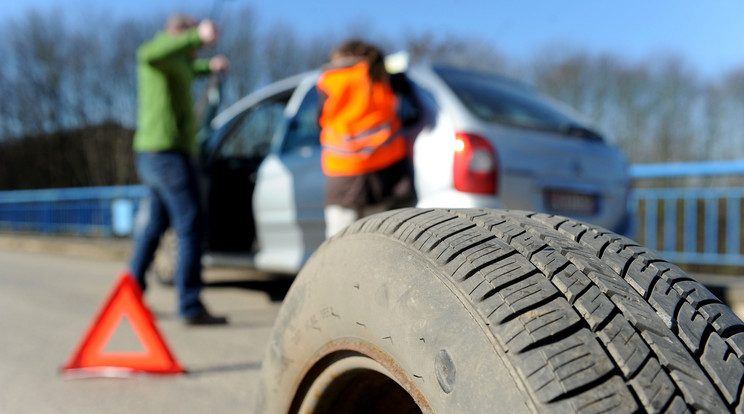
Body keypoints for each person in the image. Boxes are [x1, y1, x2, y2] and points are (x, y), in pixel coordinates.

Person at [129, 14, 229, 325]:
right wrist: (197, 35)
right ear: (177, 34)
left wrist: (210, 67)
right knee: (190, 224)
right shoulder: (158, 54)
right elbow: (149, 52)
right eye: (188, 39)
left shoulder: (181, 65)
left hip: (162, 154)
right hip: (166, 154)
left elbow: (191, 68)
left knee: (154, 227)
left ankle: (130, 296)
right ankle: (189, 304)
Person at [317, 40, 418, 238]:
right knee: (383, 241)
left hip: (342, 173)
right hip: (385, 171)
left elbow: (318, 120)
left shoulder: (327, 80)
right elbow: (412, 111)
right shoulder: (382, 74)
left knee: (342, 244)